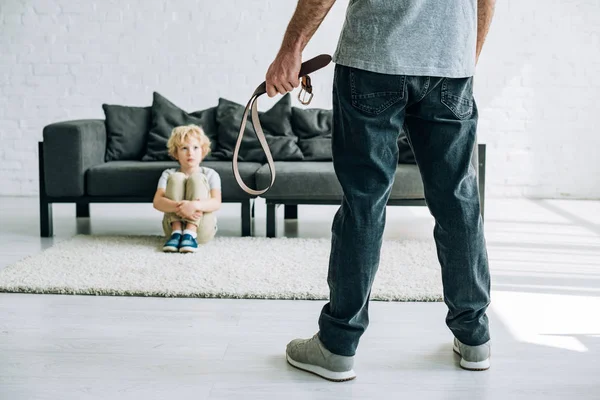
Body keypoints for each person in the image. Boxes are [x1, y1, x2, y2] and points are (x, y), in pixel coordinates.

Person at [265, 0, 496, 381]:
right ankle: (474, 338)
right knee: (457, 201)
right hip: (449, 66)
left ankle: (337, 345)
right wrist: (464, 57)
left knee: (364, 203)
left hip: (373, 62)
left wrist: (291, 50)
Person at [152, 125, 221, 253]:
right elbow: (157, 202)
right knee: (177, 177)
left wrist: (195, 205)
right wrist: (182, 207)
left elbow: (216, 202)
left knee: (197, 178)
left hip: (201, 228)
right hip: (172, 231)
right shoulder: (168, 174)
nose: (190, 153)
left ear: (203, 151)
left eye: (195, 148)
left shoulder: (211, 174)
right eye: (184, 148)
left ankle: (190, 232)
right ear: (175, 153)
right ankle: (178, 232)